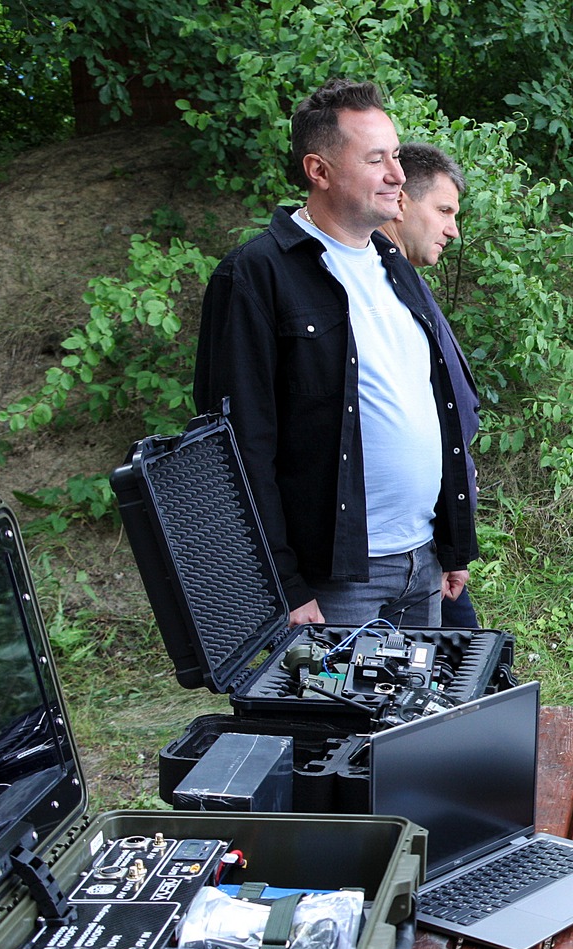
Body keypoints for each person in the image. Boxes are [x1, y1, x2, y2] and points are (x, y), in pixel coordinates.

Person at [192, 79, 475, 629]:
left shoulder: (395, 268)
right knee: (340, 694)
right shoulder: (256, 274)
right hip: (334, 584)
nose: (397, 175)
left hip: (421, 563)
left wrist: (451, 541)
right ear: (318, 171)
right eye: (375, 159)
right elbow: (236, 447)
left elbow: (438, 408)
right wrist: (284, 585)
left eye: (395, 155)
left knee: (435, 691)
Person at [382, 141, 480, 629]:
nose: (452, 229)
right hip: (388, 552)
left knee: (472, 660)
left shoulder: (405, 281)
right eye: (443, 211)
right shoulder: (372, 286)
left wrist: (452, 544)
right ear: (401, 202)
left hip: (426, 540)